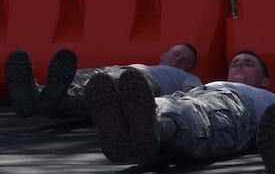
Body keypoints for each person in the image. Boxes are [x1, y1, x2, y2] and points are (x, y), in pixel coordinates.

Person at [85, 49, 275, 167]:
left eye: (248, 63)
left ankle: (152, 129)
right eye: (234, 63)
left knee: (196, 116)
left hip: (236, 107)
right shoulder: (211, 83)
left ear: (264, 82)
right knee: (166, 104)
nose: (239, 65)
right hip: (193, 98)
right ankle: (131, 131)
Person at [6, 43, 201, 121]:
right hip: (118, 69)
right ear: (163, 54)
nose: (178, 60)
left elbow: (188, 95)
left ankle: (55, 100)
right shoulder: (146, 63)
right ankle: (40, 96)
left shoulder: (186, 76)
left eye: (185, 61)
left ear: (189, 68)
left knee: (107, 86)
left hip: (142, 82)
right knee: (82, 76)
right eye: (176, 54)